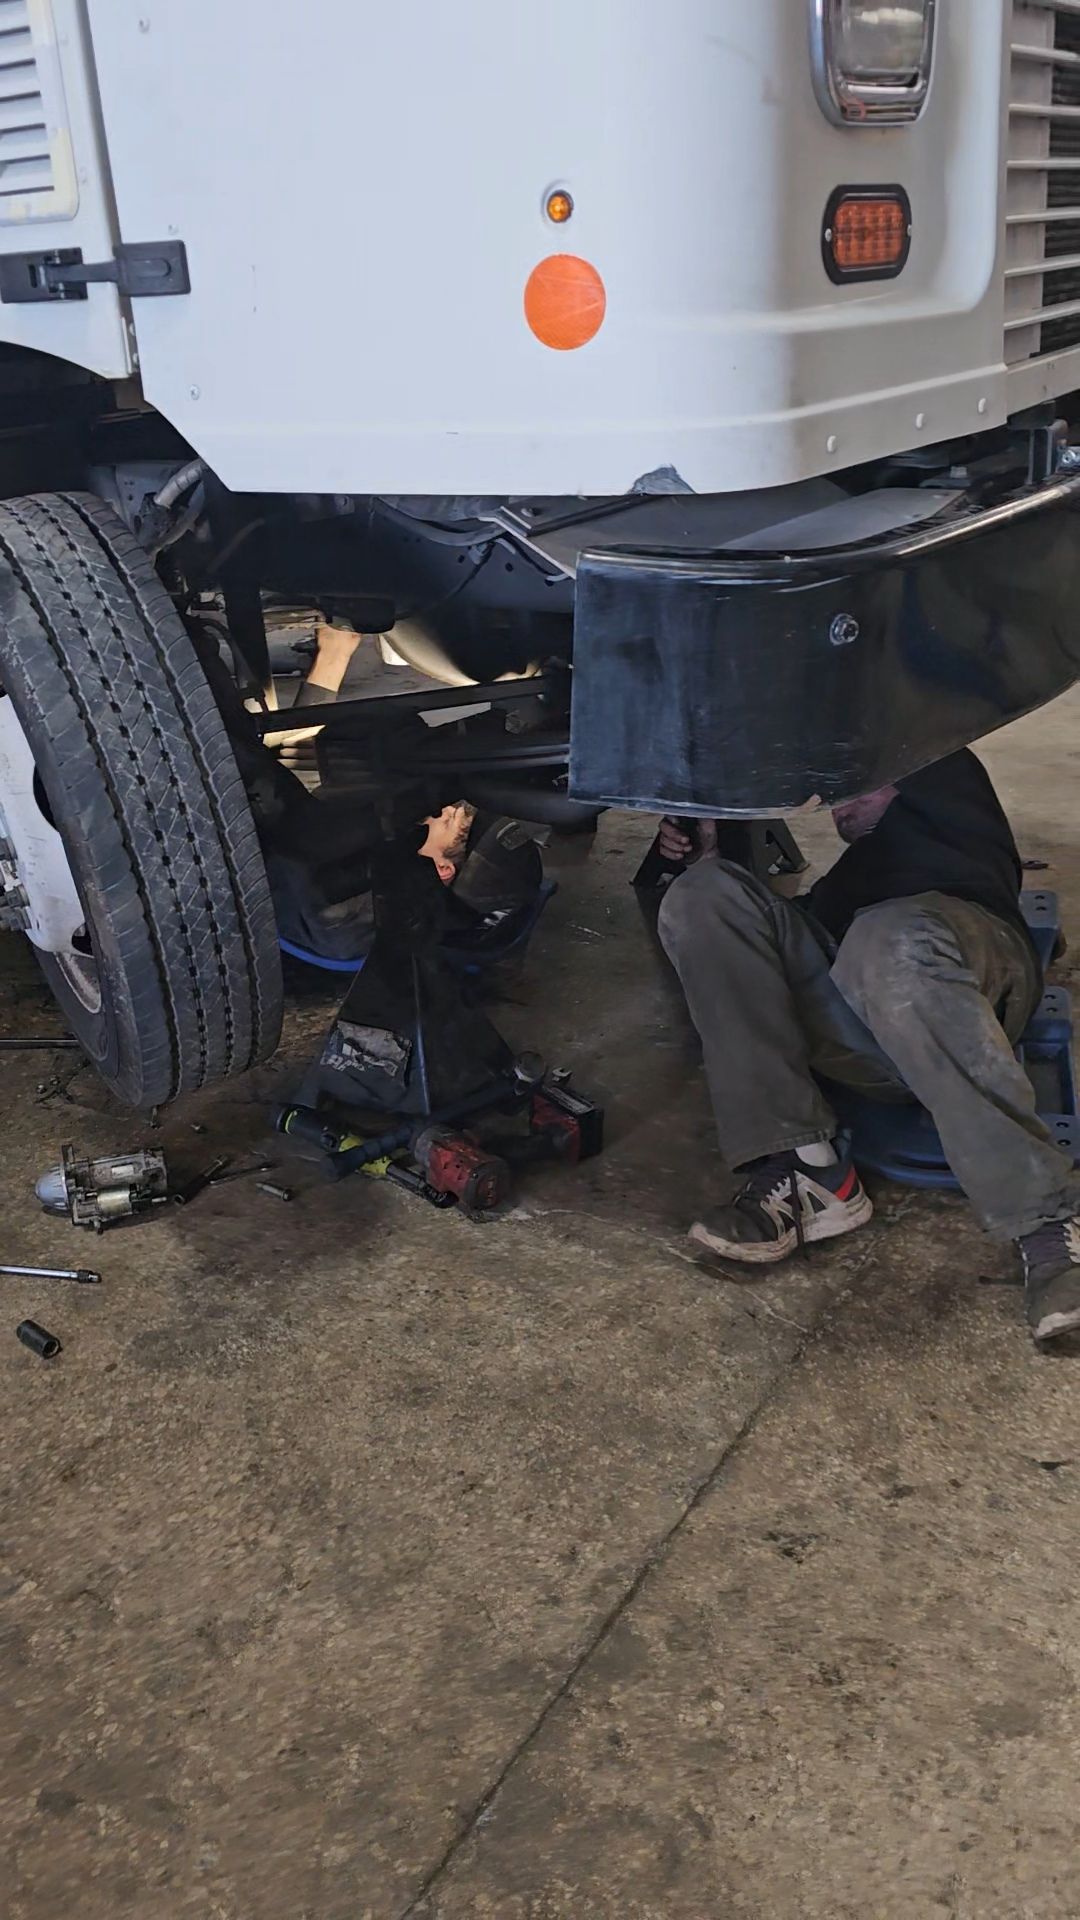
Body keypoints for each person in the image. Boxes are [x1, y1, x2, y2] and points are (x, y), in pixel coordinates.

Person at [655, 750, 1080, 1344]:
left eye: (853, 789)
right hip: (873, 1027)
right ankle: (807, 1172)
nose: (835, 807)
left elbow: (919, 736)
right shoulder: (854, 881)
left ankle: (1047, 1222)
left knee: (887, 937)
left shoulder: (953, 814)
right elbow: (786, 946)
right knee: (703, 896)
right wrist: (709, 854)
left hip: (972, 987)